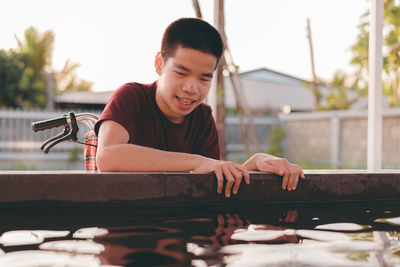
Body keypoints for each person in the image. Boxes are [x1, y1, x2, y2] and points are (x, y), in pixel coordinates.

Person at [95, 17, 305, 198]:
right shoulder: (131, 96)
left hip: (176, 229)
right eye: (181, 73)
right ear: (160, 63)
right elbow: (107, 156)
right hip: (125, 226)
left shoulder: (202, 117)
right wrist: (195, 162)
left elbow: (217, 180)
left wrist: (257, 162)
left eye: (204, 78)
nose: (191, 88)